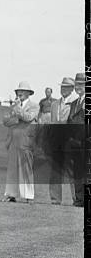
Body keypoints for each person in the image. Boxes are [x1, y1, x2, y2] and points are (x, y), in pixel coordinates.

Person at [3, 82, 39, 204]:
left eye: (23, 91)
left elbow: (28, 117)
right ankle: (11, 195)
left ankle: (28, 195)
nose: (20, 93)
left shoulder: (34, 106)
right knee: (12, 168)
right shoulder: (13, 106)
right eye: (18, 91)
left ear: (29, 93)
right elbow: (6, 121)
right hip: (13, 141)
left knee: (26, 168)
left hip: (26, 141)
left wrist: (17, 112)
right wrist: (17, 117)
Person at [48, 77, 79, 205]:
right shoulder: (55, 104)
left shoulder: (76, 103)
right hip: (56, 142)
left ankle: (76, 198)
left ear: (72, 89)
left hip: (69, 141)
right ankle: (55, 199)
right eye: (62, 87)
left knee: (72, 172)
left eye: (66, 87)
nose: (63, 89)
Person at [65, 73, 85, 207]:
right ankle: (79, 199)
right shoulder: (73, 104)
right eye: (77, 84)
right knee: (77, 171)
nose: (78, 87)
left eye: (81, 84)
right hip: (74, 143)